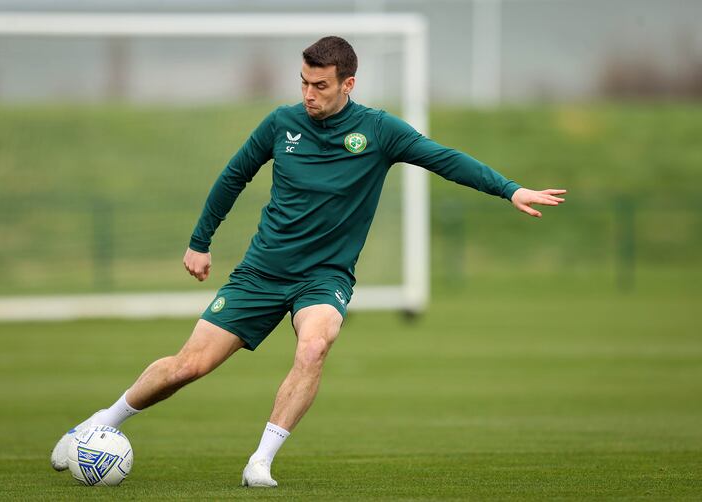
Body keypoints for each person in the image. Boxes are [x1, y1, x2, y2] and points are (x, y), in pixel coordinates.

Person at [50, 36, 566, 487]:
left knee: (315, 344)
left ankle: (260, 461)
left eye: (320, 85)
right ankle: (99, 423)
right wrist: (200, 241)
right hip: (261, 272)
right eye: (303, 82)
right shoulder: (281, 124)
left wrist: (510, 189)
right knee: (189, 366)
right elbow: (233, 177)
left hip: (324, 277)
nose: (309, 94)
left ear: (348, 83)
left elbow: (446, 159)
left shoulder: (380, 131)